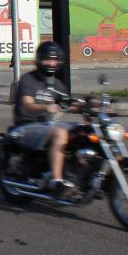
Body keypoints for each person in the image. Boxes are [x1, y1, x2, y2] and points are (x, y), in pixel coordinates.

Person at [11, 41, 77, 194]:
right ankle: (56, 181)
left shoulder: (57, 84)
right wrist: (47, 107)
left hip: (47, 125)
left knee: (82, 132)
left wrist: (91, 106)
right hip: (25, 126)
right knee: (60, 133)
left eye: (55, 60)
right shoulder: (29, 79)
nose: (51, 63)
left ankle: (77, 174)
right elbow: (27, 105)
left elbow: (69, 103)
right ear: (39, 60)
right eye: (47, 59)